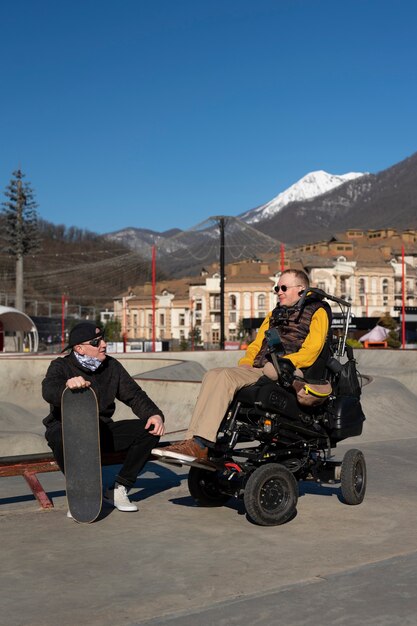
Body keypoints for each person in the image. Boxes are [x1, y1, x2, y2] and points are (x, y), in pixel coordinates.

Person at [152, 269, 331, 463]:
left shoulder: (318, 310)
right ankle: (191, 441)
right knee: (213, 374)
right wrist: (246, 363)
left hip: (287, 370)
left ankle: (201, 444)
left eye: (284, 287)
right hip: (261, 367)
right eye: (277, 288)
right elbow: (256, 344)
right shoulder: (274, 314)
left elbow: (313, 348)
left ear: (301, 289)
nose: (279, 291)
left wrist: (287, 363)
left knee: (227, 378)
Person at [42, 321, 165, 515]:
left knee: (150, 429)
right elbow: (48, 390)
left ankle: (119, 488)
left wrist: (154, 414)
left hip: (101, 430)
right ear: (79, 348)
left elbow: (133, 394)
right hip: (68, 431)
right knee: (58, 436)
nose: (104, 345)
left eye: (103, 340)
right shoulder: (61, 366)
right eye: (96, 342)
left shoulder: (111, 366)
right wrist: (66, 385)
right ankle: (83, 492)